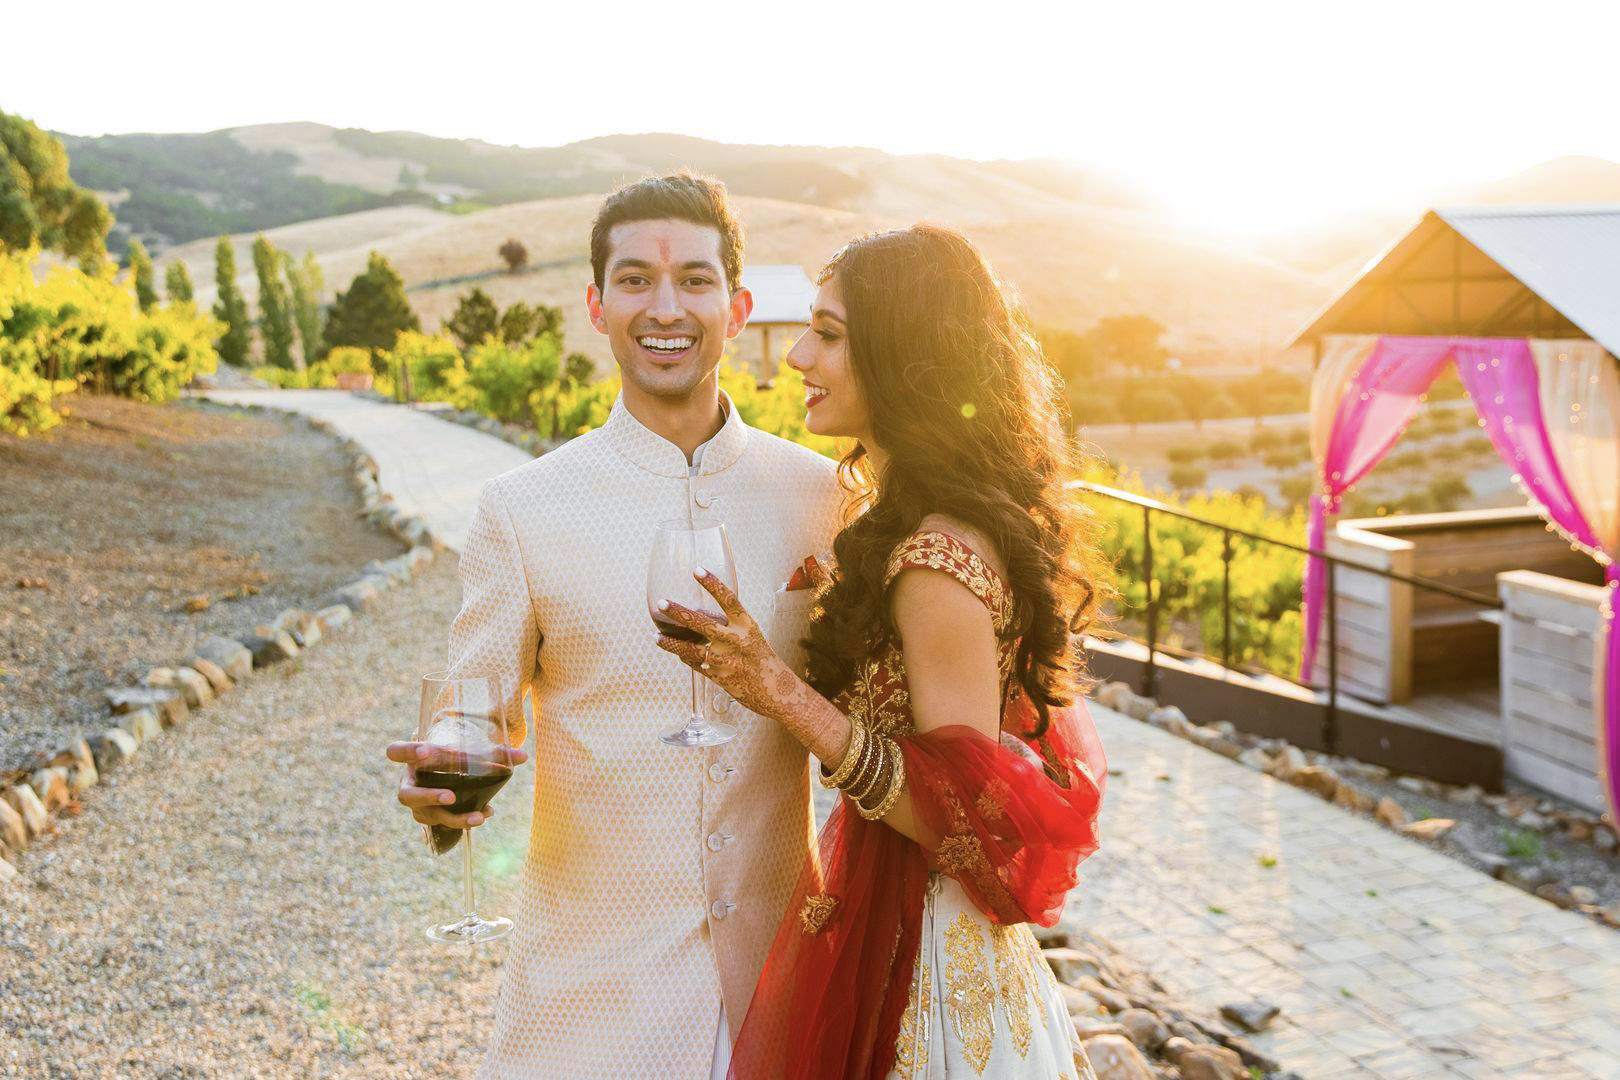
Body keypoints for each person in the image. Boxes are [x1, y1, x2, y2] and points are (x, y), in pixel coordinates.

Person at [385, 174, 844, 1079]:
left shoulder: (821, 500)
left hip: (784, 992)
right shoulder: (521, 510)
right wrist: (444, 806)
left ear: (739, 305)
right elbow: (476, 716)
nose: (664, 306)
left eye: (695, 280)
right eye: (634, 279)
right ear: (596, 306)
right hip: (590, 1002)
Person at [653, 225, 1111, 1079]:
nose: (795, 356)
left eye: (827, 333)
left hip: (926, 946)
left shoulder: (935, 561)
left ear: (902, 357)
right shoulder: (905, 521)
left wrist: (777, 690)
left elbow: (963, 821)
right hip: (884, 906)